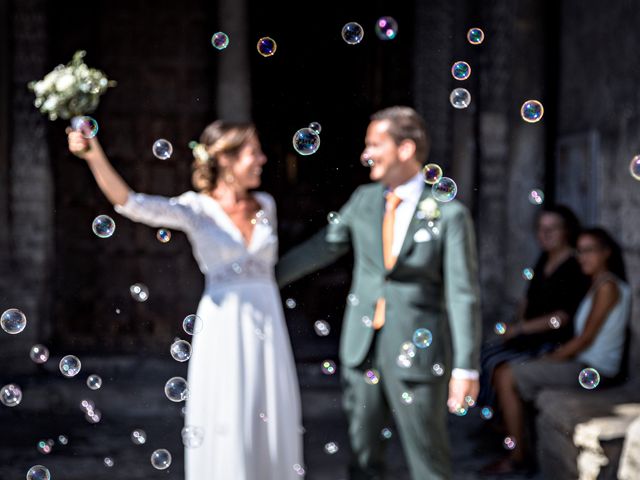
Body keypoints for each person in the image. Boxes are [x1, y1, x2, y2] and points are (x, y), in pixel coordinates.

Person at [67, 121, 304, 479]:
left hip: (267, 322)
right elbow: (130, 202)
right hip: (224, 325)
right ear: (225, 158)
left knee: (268, 405)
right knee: (229, 408)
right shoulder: (196, 209)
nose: (262, 159)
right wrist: (93, 154)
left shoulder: (265, 204)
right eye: (253, 152)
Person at [276, 106, 481, 480]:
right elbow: (322, 248)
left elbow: (462, 294)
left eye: (374, 144)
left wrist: (466, 367)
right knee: (362, 459)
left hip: (419, 354)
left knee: (429, 461)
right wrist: (260, 277)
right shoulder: (363, 200)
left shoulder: (449, 214)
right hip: (361, 348)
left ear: (405, 149)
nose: (365, 154)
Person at [481, 227, 631, 475]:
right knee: (504, 367)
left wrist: (549, 359)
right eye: (579, 251)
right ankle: (512, 439)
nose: (582, 257)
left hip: (594, 369)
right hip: (583, 363)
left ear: (606, 253)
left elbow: (584, 339)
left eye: (589, 251)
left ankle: (517, 457)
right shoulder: (597, 284)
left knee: (507, 374)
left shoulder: (607, 287)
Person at [478, 205, 590, 409]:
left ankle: (504, 425)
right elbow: (527, 299)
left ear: (566, 231)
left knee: (498, 364)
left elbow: (562, 317)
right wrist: (517, 324)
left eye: (552, 228)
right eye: (540, 228)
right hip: (530, 337)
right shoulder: (544, 258)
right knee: (486, 354)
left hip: (553, 341)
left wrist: (519, 329)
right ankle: (496, 421)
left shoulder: (574, 266)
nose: (544, 234)